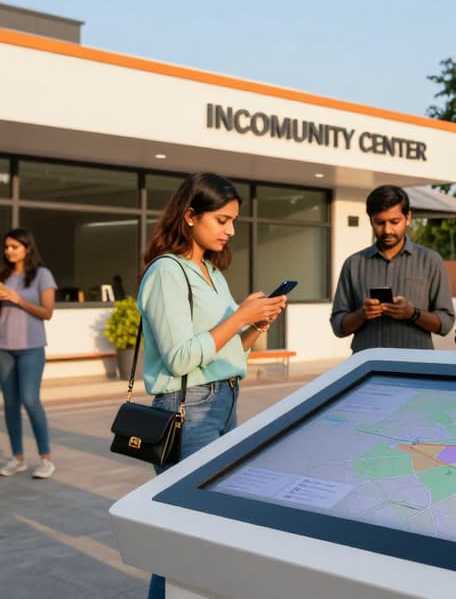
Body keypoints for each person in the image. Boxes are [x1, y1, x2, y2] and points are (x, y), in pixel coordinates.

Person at [137, 172, 286, 599]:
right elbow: (181, 357)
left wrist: (254, 327)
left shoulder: (212, 273)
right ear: (189, 215)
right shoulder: (167, 272)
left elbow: (227, 356)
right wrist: (238, 318)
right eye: (222, 220)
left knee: (204, 529)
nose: (231, 230)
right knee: (192, 529)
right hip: (187, 409)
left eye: (233, 221)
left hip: (223, 401)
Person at [330, 185, 455, 350]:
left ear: (408, 217)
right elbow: (338, 326)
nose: (387, 230)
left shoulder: (430, 261)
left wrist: (412, 313)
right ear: (370, 220)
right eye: (380, 222)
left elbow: (445, 323)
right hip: (368, 367)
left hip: (415, 368)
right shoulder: (353, 264)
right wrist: (362, 314)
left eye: (394, 222)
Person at [0, 228, 57, 479]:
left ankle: (45, 459)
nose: (9, 251)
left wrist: (18, 300)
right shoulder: (1, 276)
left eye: (14, 246)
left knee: (30, 400)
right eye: (6, 247)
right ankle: (17, 458)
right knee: (10, 404)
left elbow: (47, 312)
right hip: (2, 346)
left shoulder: (42, 275)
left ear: (27, 248)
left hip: (31, 347)